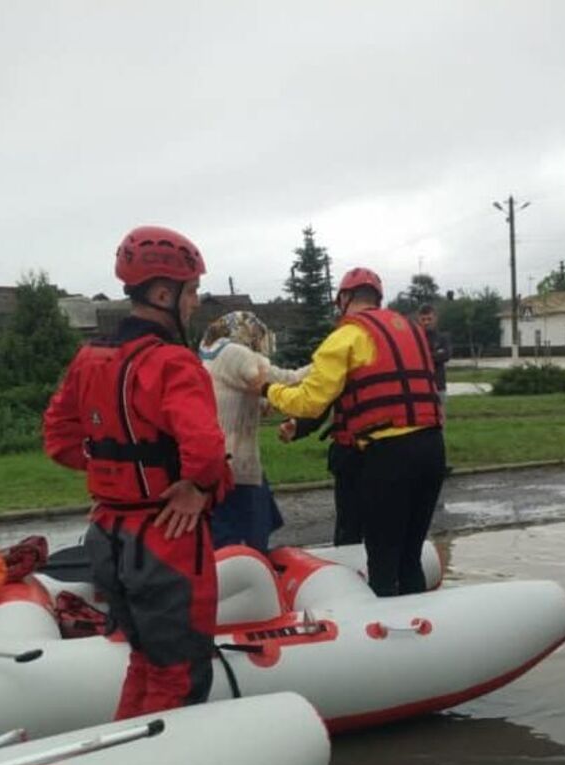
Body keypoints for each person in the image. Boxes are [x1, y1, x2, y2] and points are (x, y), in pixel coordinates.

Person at [43, 226, 233, 719]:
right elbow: (208, 450)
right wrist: (196, 487)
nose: (194, 304)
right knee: (180, 673)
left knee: (144, 662)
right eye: (191, 293)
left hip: (108, 535)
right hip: (164, 539)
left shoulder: (89, 358)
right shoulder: (173, 362)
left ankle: (126, 764)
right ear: (164, 293)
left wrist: (116, 480)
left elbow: (59, 439)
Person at [264, 267, 445, 596]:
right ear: (378, 299)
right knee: (410, 556)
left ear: (344, 300)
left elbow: (310, 402)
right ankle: (422, 625)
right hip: (432, 449)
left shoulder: (345, 337)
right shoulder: (413, 331)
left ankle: (384, 633)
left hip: (388, 459)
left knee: (382, 562)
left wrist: (270, 391)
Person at [199, 310, 307, 552]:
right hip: (234, 468)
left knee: (228, 539)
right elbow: (285, 380)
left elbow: (251, 396)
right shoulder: (234, 354)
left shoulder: (210, 354)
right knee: (245, 545)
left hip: (219, 464)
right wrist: (326, 365)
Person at [277, 403, 363, 546]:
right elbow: (321, 396)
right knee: (351, 529)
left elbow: (322, 394)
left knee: (389, 530)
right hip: (354, 458)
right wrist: (299, 424)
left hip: (385, 456)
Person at [415, 303, 452, 406]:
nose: (426, 322)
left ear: (435, 318)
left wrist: (424, 355)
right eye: (423, 319)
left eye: (429, 319)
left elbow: (446, 356)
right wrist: (435, 354)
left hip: (438, 387)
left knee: (439, 420)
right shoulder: (415, 338)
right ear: (419, 319)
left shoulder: (443, 338)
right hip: (420, 387)